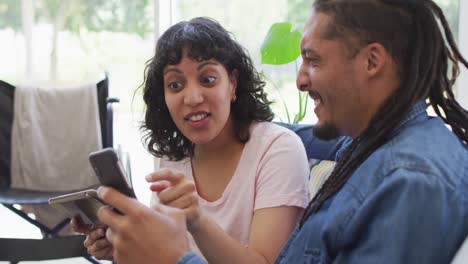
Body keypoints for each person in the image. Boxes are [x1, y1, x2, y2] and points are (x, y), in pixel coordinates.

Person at [92, 0, 468, 263]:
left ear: (372, 62)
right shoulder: (371, 146)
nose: (301, 80)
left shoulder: (411, 181)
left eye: (313, 60)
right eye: (175, 86)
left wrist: (174, 260)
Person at [74, 17, 310, 263]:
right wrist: (123, 246)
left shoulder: (278, 149)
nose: (192, 97)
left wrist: (197, 220)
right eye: (175, 85)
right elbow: (168, 252)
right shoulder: (171, 155)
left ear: (232, 83)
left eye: (207, 79)